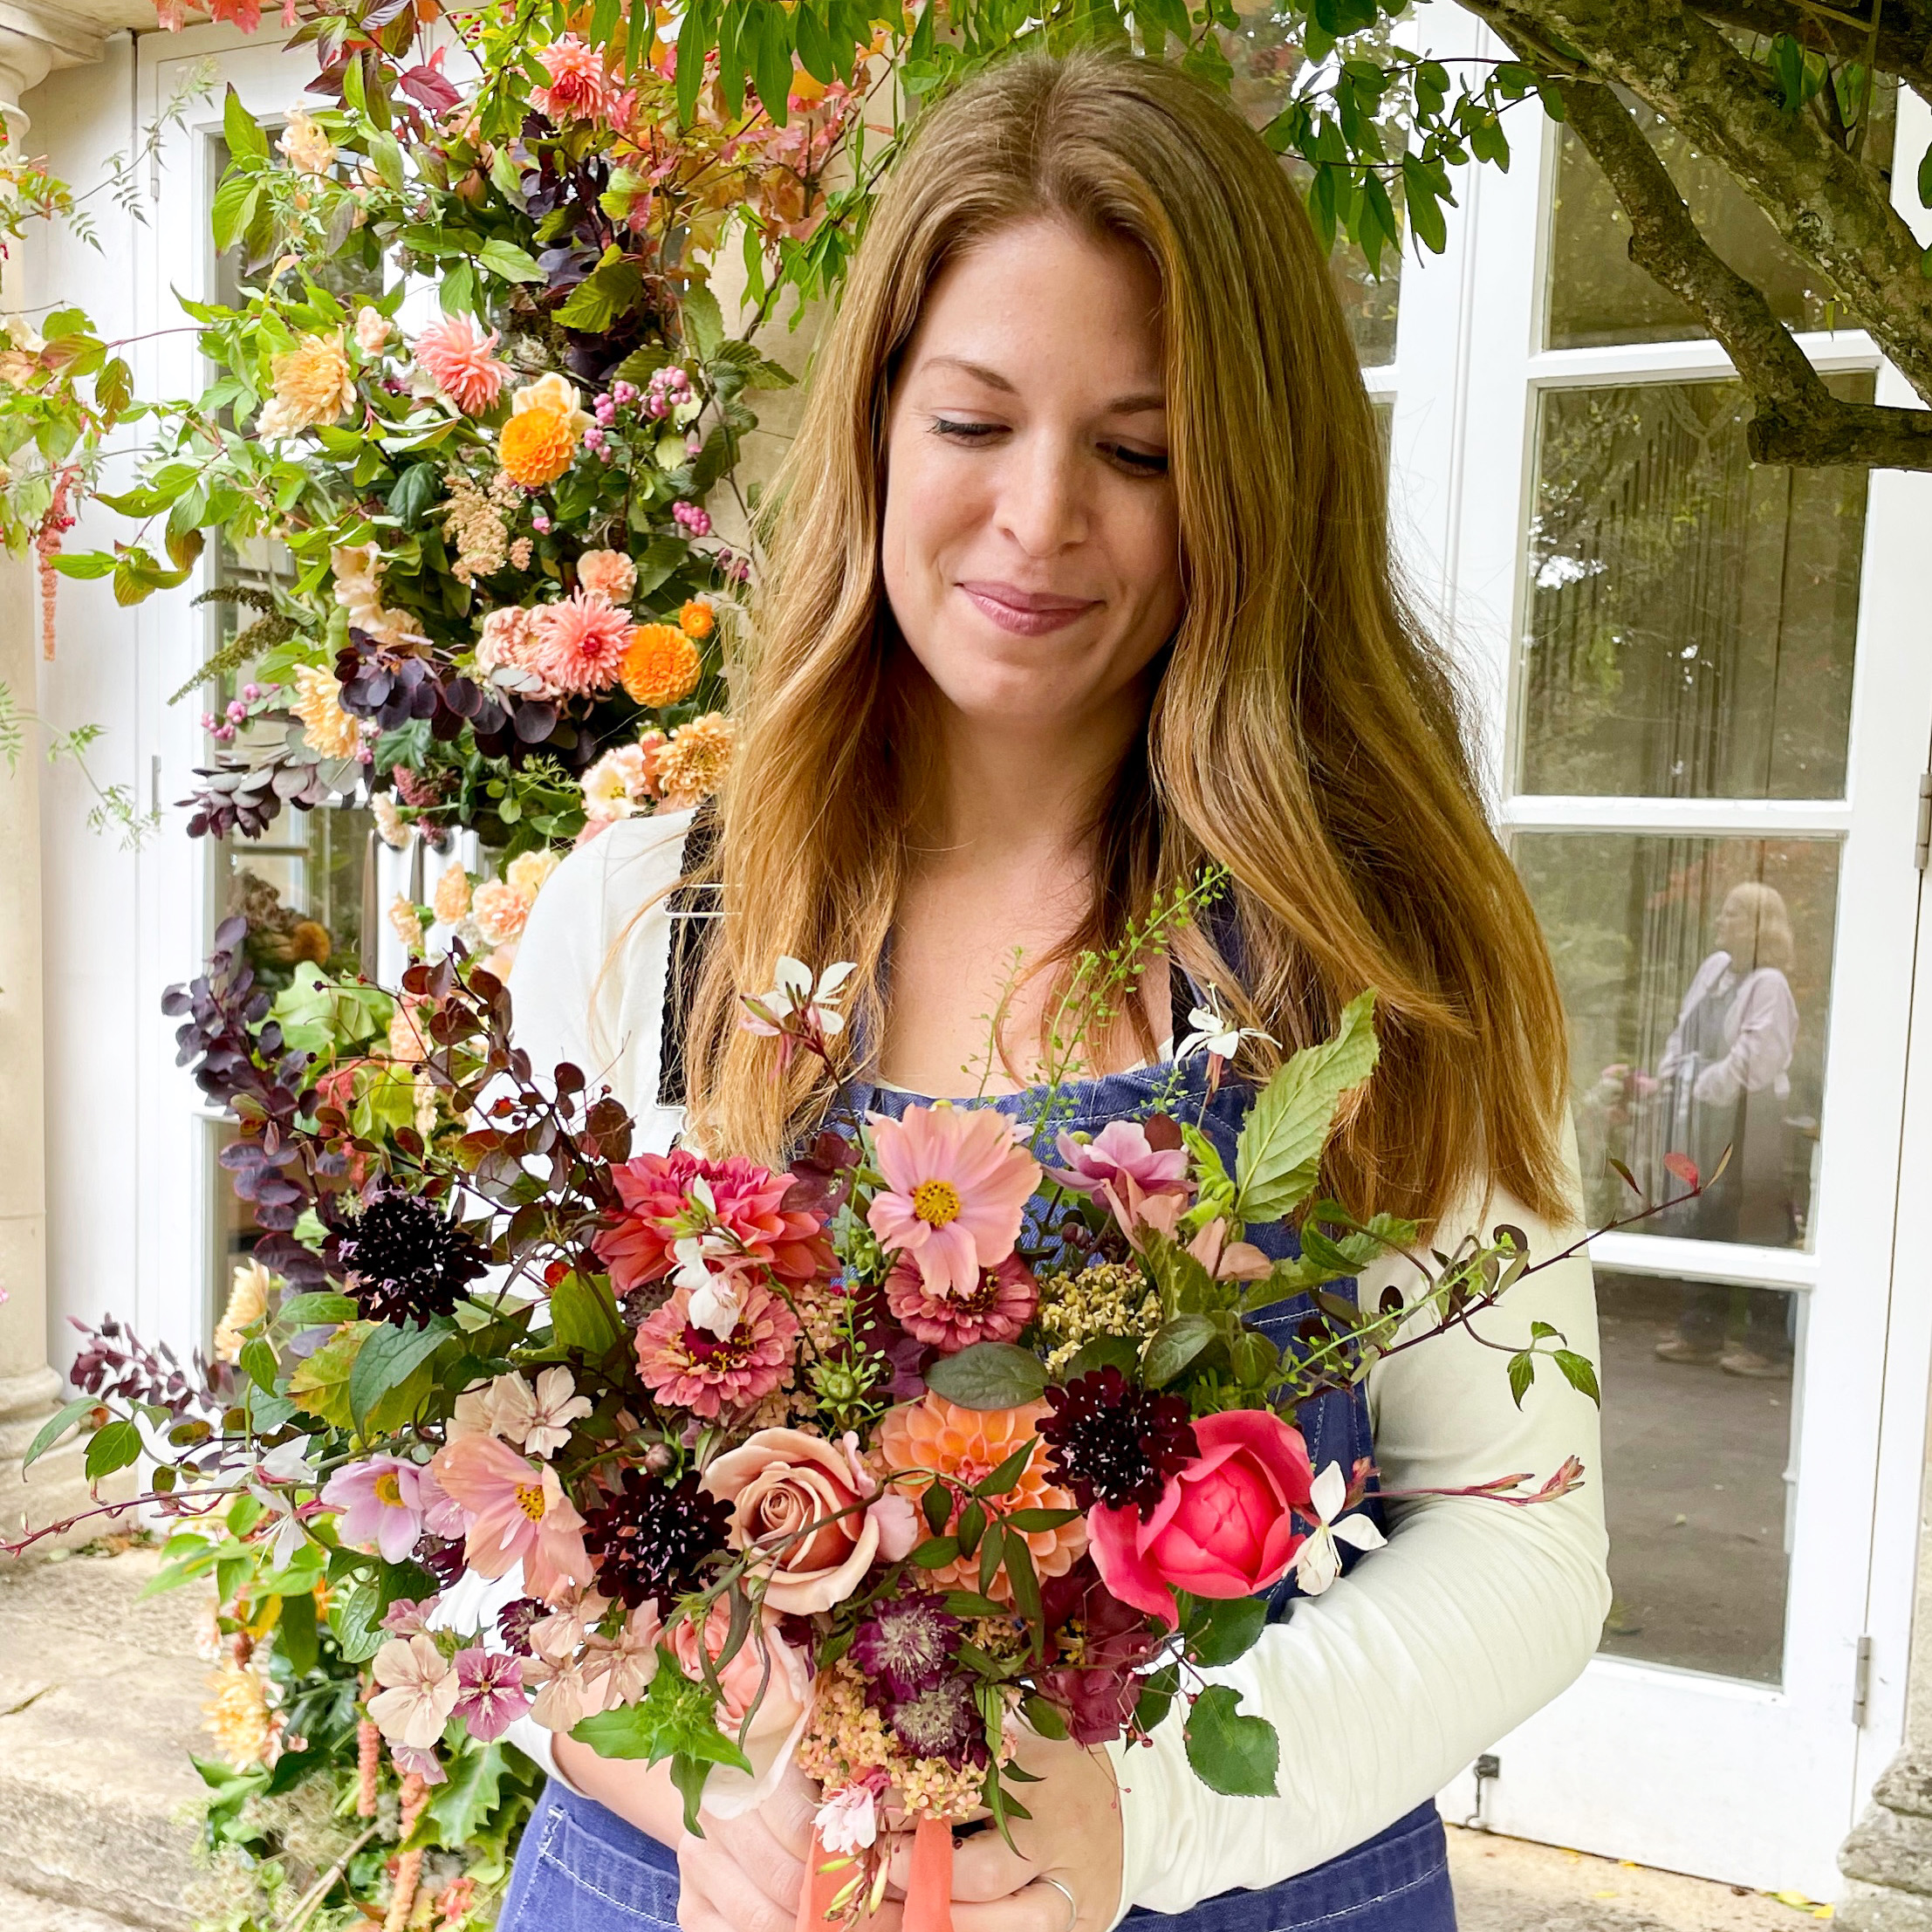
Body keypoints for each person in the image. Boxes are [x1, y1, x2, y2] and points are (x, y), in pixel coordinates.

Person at [483, 49, 1607, 1932]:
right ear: (876, 425)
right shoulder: (648, 922)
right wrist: (690, 1775)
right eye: (974, 421)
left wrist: (1134, 1817)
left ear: (1253, 490)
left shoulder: (1373, 965)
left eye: (1139, 451)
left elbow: (1522, 1534)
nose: (1037, 517)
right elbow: (488, 1498)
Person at [1652, 880, 1800, 1378]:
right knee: (1705, 1212)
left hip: (1752, 1117)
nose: (1720, 920)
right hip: (1705, 1114)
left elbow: (1756, 1060)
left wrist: (1699, 1084)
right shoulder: (1715, 968)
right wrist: (1670, 1075)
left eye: (1733, 913)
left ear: (1760, 926)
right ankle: (1700, 1333)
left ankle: (1768, 1347)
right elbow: (1683, 1028)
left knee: (1757, 1223)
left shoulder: (1769, 984)